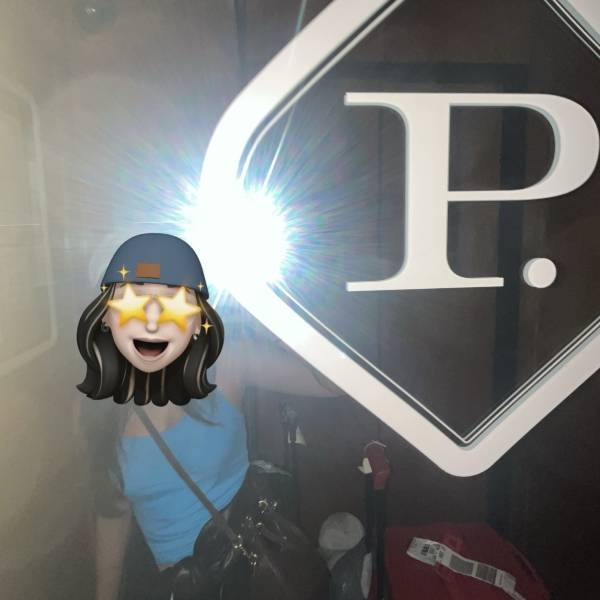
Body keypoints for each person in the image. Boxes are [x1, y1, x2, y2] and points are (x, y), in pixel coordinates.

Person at [76, 233, 340, 600]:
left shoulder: (225, 364)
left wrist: (277, 316)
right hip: (187, 589)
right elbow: (112, 512)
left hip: (258, 573)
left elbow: (332, 383)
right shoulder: (99, 408)